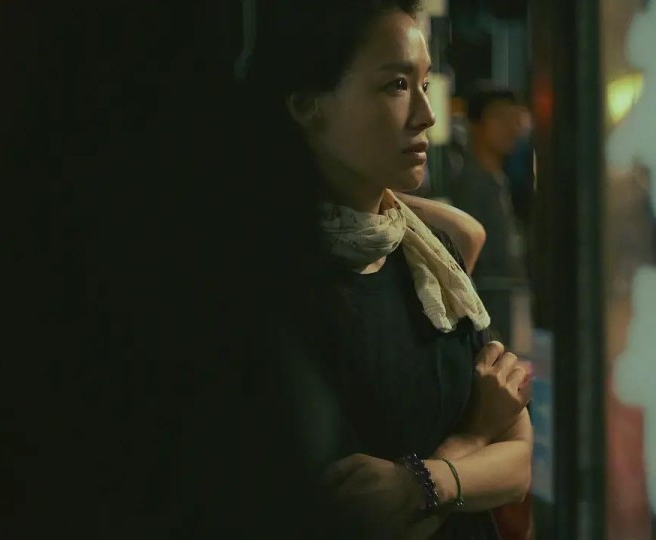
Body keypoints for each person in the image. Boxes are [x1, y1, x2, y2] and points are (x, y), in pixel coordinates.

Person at [228, 1, 534, 538]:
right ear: (307, 106)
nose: (427, 113)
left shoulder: (427, 255)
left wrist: (421, 483)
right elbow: (360, 518)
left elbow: (519, 461)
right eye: (396, 85)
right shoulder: (266, 283)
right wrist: (468, 446)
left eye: (424, 84)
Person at [451, 82, 529, 344]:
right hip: (485, 318)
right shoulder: (470, 185)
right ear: (475, 125)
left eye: (514, 118)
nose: (511, 127)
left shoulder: (500, 180)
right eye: (500, 117)